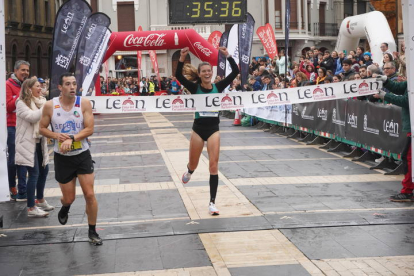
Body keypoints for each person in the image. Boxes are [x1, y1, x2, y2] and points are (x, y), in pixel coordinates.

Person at [39, 73, 102, 245]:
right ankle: (65, 207)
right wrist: (56, 135)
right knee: (69, 198)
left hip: (82, 154)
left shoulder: (83, 103)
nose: (72, 87)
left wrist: (72, 138)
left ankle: (92, 231)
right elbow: (42, 128)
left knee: (89, 194)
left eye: (74, 83)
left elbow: (89, 129)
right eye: (68, 84)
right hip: (62, 158)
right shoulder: (50, 106)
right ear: (60, 87)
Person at [176, 46, 239, 216]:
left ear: (211, 73)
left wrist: (228, 56)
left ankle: (212, 203)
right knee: (194, 164)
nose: (206, 73)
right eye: (203, 71)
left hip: (213, 129)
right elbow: (178, 76)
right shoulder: (194, 87)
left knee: (213, 165)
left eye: (208, 71)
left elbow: (235, 72)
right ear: (200, 73)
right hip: (197, 129)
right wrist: (182, 57)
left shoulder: (218, 86)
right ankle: (189, 171)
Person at [15, 77, 54, 217]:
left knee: (44, 171)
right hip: (27, 143)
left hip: (40, 141)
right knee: (34, 174)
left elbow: (46, 121)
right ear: (28, 89)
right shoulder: (20, 103)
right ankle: (31, 207)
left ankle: (40, 199)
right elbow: (32, 117)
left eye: (41, 86)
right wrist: (45, 108)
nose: (41, 88)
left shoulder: (42, 101)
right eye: (37, 86)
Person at [374, 75, 412, 202]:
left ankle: (408, 191)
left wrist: (385, 96)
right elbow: (400, 87)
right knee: (408, 159)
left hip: (413, 128)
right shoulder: (411, 79)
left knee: (409, 159)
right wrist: (386, 81)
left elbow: (407, 100)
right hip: (411, 127)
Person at [6, 60, 29, 201]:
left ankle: (23, 190)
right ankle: (11, 186)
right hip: (11, 126)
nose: (25, 73)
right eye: (23, 70)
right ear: (15, 71)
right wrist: (21, 97)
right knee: (14, 159)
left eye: (27, 70)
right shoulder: (8, 85)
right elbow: (8, 106)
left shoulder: (25, 86)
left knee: (23, 159)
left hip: (24, 126)